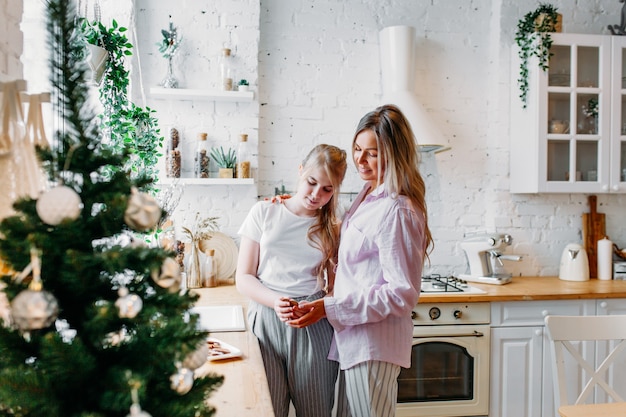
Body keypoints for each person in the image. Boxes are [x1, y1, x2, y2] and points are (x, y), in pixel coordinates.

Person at [288, 104, 433, 417]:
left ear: (394, 154)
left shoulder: (397, 209)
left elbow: (401, 294)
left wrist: (330, 307)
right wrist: (291, 206)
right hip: (354, 341)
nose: (361, 160)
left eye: (373, 153)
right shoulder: (370, 195)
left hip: (374, 344)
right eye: (357, 149)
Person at [235, 144, 348, 417]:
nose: (316, 194)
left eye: (327, 189)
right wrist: (276, 301)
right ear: (300, 171)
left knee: (316, 411)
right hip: (265, 321)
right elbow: (244, 276)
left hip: (312, 321)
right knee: (268, 409)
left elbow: (336, 289)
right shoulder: (264, 212)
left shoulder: (333, 226)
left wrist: (321, 304)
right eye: (311, 182)